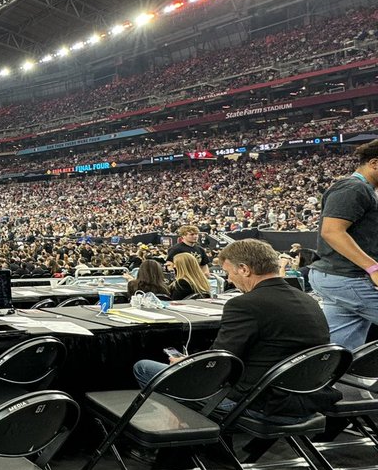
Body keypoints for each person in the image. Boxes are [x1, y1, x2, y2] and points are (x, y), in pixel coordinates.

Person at [133, 240, 333, 418]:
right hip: (307, 396)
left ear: (244, 269)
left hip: (260, 401)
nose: (228, 280)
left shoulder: (244, 305)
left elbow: (219, 363)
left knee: (144, 368)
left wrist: (188, 363)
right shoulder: (307, 300)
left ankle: (180, 439)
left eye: (229, 272)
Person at [310, 139, 378, 350]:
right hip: (349, 278)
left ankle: (329, 379)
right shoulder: (353, 187)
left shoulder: (364, 190)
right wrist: (373, 267)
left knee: (339, 347)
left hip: (337, 279)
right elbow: (332, 231)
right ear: (374, 163)